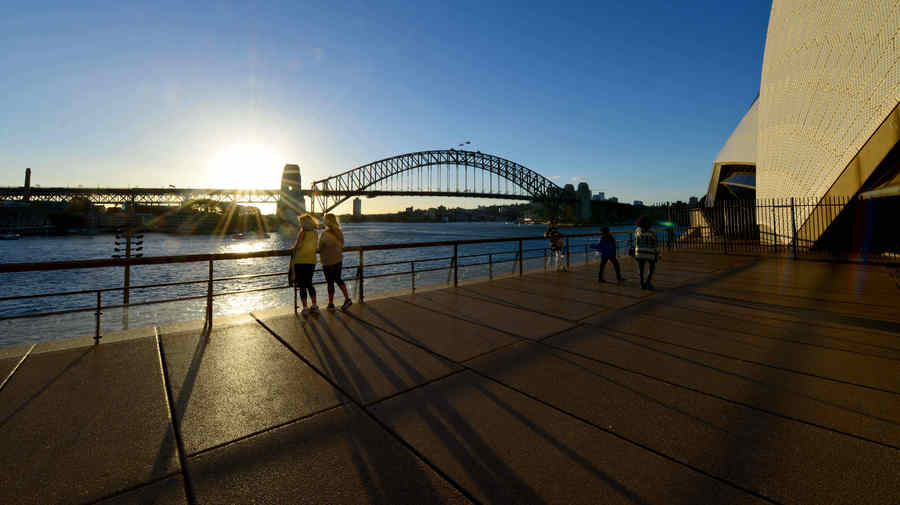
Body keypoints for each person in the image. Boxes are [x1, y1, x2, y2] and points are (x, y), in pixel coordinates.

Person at [318, 213, 352, 311]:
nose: (324, 221)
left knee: (330, 283)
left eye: (325, 220)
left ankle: (331, 304)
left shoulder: (325, 234)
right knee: (338, 279)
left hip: (327, 261)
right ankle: (347, 299)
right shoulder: (339, 232)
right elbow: (342, 245)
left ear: (328, 221)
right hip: (338, 260)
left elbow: (320, 247)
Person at [291, 213, 320, 316]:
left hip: (301, 261)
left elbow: (298, 246)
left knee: (302, 285)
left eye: (301, 222)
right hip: (311, 261)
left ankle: (305, 308)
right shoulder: (315, 233)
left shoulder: (302, 233)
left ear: (304, 223)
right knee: (309, 283)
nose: (300, 224)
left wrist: (293, 247)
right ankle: (315, 305)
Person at [633, 216, 659, 290]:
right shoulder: (652, 231)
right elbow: (655, 243)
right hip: (650, 252)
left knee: (641, 269)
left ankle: (641, 284)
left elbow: (636, 241)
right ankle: (647, 282)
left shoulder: (637, 230)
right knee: (652, 268)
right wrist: (657, 254)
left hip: (639, 252)